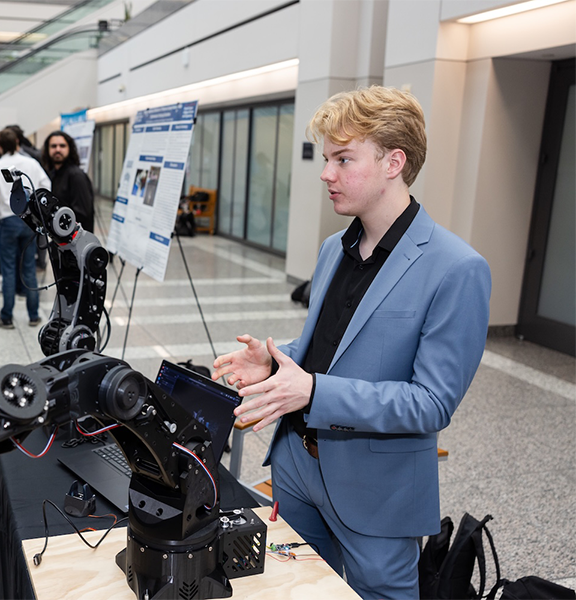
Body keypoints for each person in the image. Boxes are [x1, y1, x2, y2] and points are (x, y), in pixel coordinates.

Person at [211, 86, 491, 600]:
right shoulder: (333, 249)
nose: (326, 174)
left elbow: (431, 403)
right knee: (294, 591)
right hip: (297, 464)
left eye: (343, 159)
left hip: (376, 488)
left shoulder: (456, 269)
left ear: (393, 163)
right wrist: (276, 362)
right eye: (326, 159)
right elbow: (335, 346)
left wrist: (314, 392)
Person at [0, 128, 49, 329]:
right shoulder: (32, 163)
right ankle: (34, 315)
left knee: (8, 270)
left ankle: (7, 316)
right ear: (18, 143)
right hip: (29, 221)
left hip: (8, 221)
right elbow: (46, 187)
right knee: (29, 268)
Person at [41, 130, 94, 233]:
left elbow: (82, 214)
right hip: (60, 236)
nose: (58, 149)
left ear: (69, 148)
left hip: (76, 239)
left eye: (62, 146)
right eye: (53, 146)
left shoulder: (76, 175)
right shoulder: (53, 174)